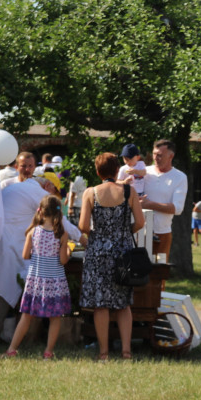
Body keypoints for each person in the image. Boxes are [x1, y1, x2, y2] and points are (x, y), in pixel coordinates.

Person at [0, 172, 83, 344]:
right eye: (53, 192)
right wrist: (83, 240)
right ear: (47, 186)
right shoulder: (38, 192)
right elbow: (64, 224)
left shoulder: (14, 188)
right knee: (4, 291)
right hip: (10, 248)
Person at [79, 152, 146, 361]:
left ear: (98, 172)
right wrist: (124, 233)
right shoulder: (129, 191)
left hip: (98, 251)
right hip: (123, 251)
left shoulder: (90, 193)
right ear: (117, 170)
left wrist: (100, 235)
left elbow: (82, 226)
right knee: (123, 303)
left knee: (101, 304)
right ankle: (126, 352)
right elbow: (141, 222)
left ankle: (103, 352)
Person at [2, 195, 72, 360]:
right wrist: (67, 250)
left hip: (36, 279)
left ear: (40, 212)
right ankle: (48, 352)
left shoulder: (33, 231)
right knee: (55, 318)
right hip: (55, 280)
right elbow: (63, 260)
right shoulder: (62, 234)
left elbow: (25, 255)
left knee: (27, 316)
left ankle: (12, 349)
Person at [140, 139, 187, 259]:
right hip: (139, 231)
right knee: (137, 274)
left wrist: (149, 204)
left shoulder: (180, 177)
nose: (156, 158)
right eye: (154, 154)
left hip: (162, 234)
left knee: (158, 274)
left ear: (171, 156)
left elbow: (177, 209)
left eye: (160, 155)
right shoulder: (144, 172)